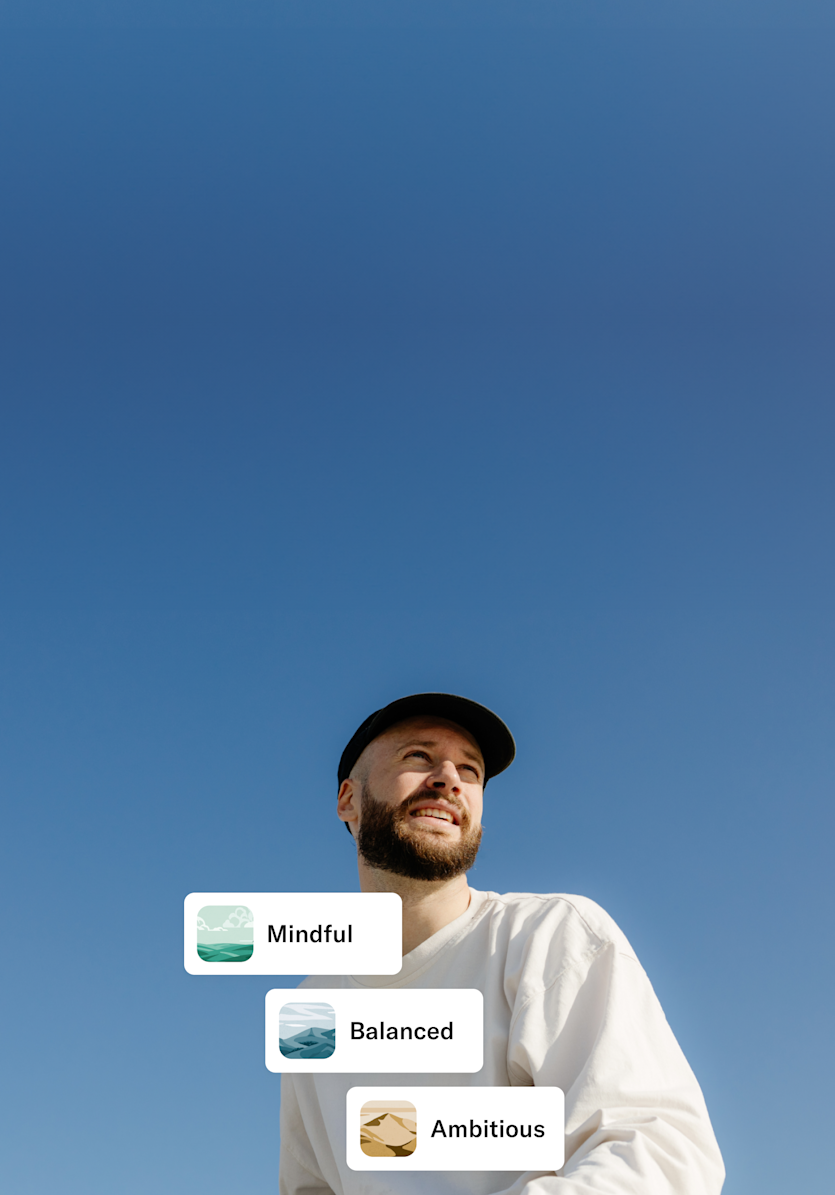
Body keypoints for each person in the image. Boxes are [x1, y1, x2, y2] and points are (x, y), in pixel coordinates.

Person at [279, 692, 724, 1195]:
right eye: (418, 756)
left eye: (470, 770)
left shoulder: (549, 935)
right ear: (348, 800)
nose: (449, 779)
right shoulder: (312, 1015)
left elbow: (655, 1152)